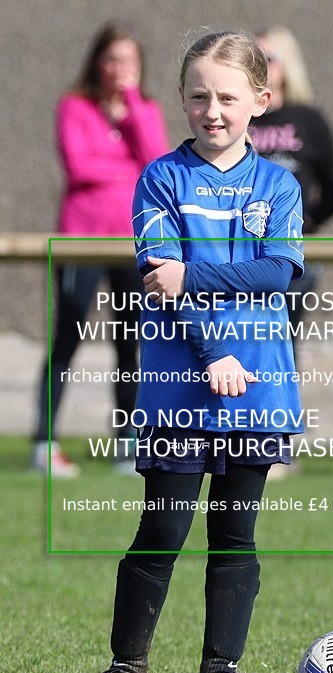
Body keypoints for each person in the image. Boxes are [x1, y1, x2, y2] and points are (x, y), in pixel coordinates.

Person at [79, 30, 304, 673]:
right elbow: (159, 279)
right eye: (199, 96)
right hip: (181, 391)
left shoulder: (278, 184)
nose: (213, 110)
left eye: (228, 97)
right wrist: (214, 354)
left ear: (259, 101)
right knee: (162, 531)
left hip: (257, 389)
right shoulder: (162, 179)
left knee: (235, 537)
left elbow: (277, 270)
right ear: (180, 98)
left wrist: (194, 274)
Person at [32, 21, 169, 476]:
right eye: (112, 59)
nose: (120, 69)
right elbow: (78, 166)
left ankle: (129, 444)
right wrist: (126, 171)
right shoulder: (74, 106)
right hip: (81, 239)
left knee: (131, 344)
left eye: (128, 60)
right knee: (67, 339)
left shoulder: (144, 108)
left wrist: (131, 107)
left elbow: (157, 162)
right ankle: (44, 443)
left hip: (135, 241)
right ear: (97, 61)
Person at [249, 25, 333, 350]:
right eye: (253, 58)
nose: (260, 66)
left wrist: (309, 220)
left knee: (280, 344)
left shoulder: (308, 119)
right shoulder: (239, 116)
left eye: (268, 58)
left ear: (287, 65)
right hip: (239, 249)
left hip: (291, 251)